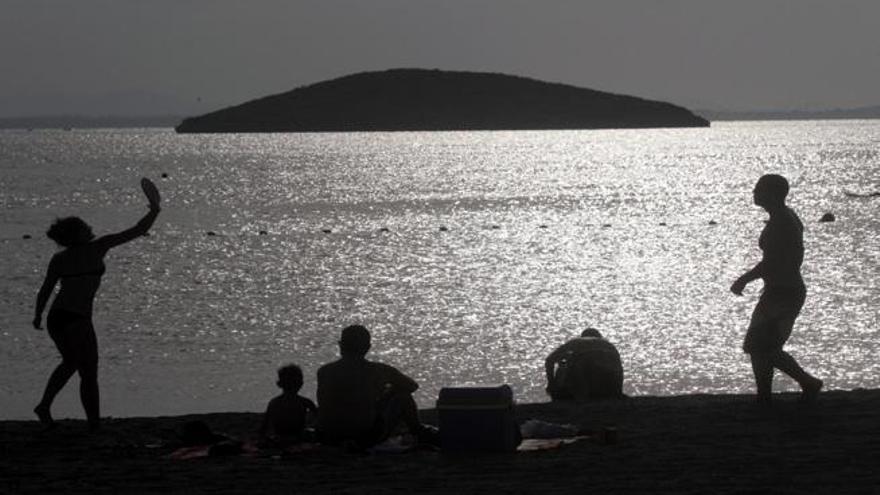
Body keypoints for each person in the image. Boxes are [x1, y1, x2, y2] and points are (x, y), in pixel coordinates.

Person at [32, 179, 161, 430]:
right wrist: (154, 211)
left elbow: (46, 289)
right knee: (88, 371)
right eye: (83, 227)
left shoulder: (59, 258)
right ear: (77, 234)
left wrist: (38, 315)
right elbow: (135, 230)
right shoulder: (97, 248)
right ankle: (93, 424)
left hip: (56, 318)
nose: (88, 227)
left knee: (70, 363)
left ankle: (44, 405)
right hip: (77, 317)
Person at [731, 174, 823, 403]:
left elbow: (773, 261)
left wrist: (744, 278)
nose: (754, 192)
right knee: (760, 344)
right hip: (780, 289)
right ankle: (767, 394)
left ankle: (807, 382)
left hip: (784, 291)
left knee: (761, 344)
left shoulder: (783, 221)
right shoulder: (782, 217)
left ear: (772, 194)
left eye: (759, 189)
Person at [316, 325, 436, 448]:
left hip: (329, 435)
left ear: (341, 345)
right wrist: (389, 392)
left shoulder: (324, 371)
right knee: (403, 396)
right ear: (367, 348)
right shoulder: (379, 370)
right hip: (365, 435)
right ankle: (417, 431)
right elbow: (412, 386)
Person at [545, 328, 624, 401]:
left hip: (584, 387)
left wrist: (551, 383)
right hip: (610, 389)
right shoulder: (609, 345)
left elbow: (550, 360)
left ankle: (563, 395)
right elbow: (619, 369)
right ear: (599, 337)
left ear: (583, 337)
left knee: (563, 365)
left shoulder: (576, 342)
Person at [259, 364, 317, 445]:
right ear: (300, 384)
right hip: (298, 436)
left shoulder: (274, 402)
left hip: (279, 436)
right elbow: (319, 418)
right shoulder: (305, 402)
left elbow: (265, 425)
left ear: (279, 384)